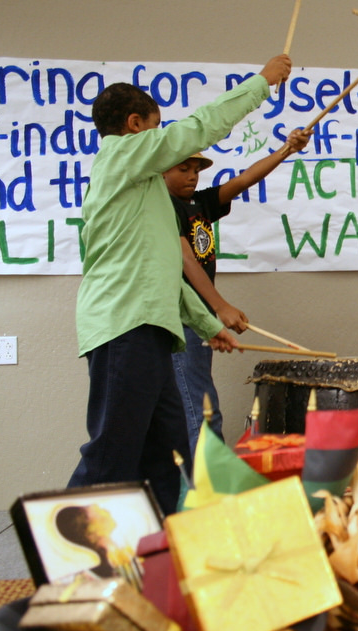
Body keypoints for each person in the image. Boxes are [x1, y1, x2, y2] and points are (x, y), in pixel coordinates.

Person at [70, 55, 293, 514]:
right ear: (135, 126)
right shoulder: (120, 155)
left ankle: (166, 554)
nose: (166, 140)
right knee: (113, 453)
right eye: (157, 127)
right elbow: (197, 128)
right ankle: (69, 559)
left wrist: (206, 325)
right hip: (123, 329)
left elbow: (163, 270)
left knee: (167, 453)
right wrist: (261, 84)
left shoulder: (144, 187)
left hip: (150, 329)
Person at [165, 128, 310, 453]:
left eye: (196, 170)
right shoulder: (163, 208)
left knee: (196, 413)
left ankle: (190, 492)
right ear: (161, 170)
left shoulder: (199, 202)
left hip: (199, 321)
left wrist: (287, 149)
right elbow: (185, 259)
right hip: (181, 320)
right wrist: (220, 306)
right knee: (200, 416)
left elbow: (244, 181)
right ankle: (201, 496)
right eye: (182, 169)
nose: (192, 176)